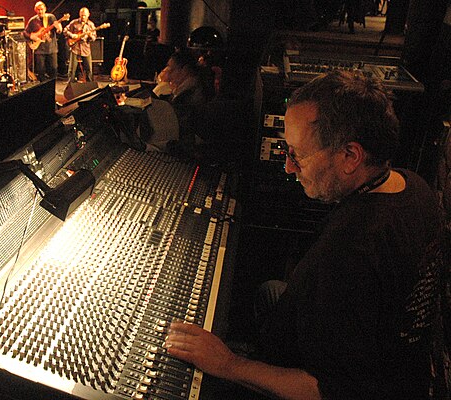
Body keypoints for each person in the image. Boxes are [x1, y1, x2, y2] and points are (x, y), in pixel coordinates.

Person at [165, 71, 444, 399]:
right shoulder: (412, 184)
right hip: (396, 356)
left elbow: (327, 390)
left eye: (297, 154)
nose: (288, 167)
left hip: (349, 382)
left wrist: (227, 363)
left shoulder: (350, 253)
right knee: (269, 291)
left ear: (350, 156)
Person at [24, 1, 65, 82]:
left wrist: (59, 29)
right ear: (35, 10)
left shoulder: (51, 17)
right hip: (39, 49)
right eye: (38, 10)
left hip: (51, 48)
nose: (40, 11)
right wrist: (31, 36)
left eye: (42, 9)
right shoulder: (32, 20)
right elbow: (25, 33)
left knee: (53, 69)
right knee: (40, 70)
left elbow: (59, 31)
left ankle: (52, 86)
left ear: (45, 9)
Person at [64, 7, 97, 84]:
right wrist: (72, 35)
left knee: (89, 69)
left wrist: (90, 35)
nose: (83, 17)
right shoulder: (74, 22)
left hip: (85, 48)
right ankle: (70, 86)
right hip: (75, 47)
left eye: (85, 15)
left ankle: (89, 86)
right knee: (72, 69)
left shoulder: (91, 25)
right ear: (79, 14)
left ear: (89, 15)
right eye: (82, 15)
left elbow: (94, 38)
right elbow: (65, 30)